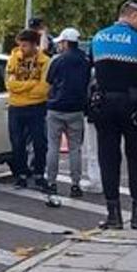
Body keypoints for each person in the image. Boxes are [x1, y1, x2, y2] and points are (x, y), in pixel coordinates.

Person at [89, 0, 137, 230]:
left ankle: (113, 215)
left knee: (108, 158)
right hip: (132, 104)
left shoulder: (98, 37)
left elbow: (94, 67)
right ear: (136, 16)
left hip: (103, 104)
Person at [44, 27, 89, 198]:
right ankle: (75, 185)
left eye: (61, 43)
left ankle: (51, 183)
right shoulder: (85, 61)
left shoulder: (57, 60)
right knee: (75, 148)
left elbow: (48, 83)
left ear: (65, 42)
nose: (59, 46)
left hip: (56, 108)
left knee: (53, 146)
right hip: (76, 109)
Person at [5, 28, 51, 189]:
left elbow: (44, 89)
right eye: (20, 45)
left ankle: (39, 174)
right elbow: (10, 84)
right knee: (17, 142)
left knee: (40, 142)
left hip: (37, 107)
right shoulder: (13, 59)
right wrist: (31, 84)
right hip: (16, 107)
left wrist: (22, 88)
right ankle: (21, 174)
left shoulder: (45, 62)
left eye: (25, 46)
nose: (21, 49)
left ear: (34, 45)